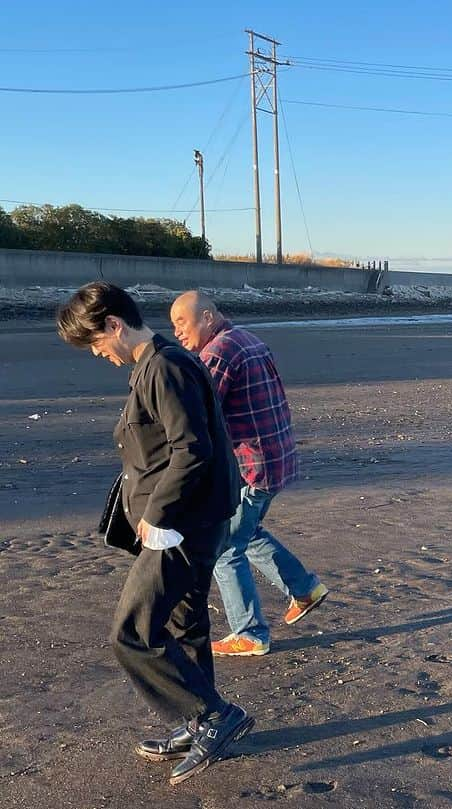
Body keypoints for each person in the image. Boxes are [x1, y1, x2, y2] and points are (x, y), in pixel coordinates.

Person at [56, 282, 252, 785]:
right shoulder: (156, 363)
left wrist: (158, 514)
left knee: (132, 632)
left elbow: (193, 449)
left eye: (96, 343)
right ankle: (198, 722)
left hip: (180, 526)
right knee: (186, 627)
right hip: (188, 520)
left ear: (114, 325)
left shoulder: (164, 367)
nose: (99, 354)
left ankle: (215, 716)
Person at [170, 290, 328, 657]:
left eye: (182, 321)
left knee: (225, 547)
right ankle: (303, 588)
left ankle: (250, 632)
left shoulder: (218, 353)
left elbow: (198, 416)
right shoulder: (248, 338)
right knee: (247, 532)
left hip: (252, 467)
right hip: (276, 458)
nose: (177, 331)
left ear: (207, 317)